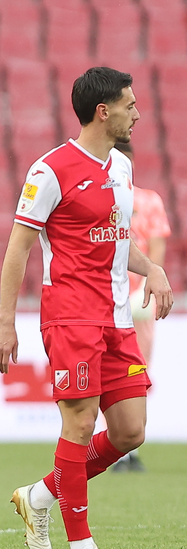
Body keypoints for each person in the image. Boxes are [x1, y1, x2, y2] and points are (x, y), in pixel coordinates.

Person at [0, 67, 173, 549]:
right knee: (79, 423)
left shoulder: (121, 167)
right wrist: (6, 321)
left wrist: (153, 268)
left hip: (117, 317)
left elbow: (117, 240)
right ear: (103, 111)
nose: (137, 113)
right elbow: (18, 247)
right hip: (71, 315)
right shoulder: (50, 171)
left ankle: (38, 496)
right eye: (129, 105)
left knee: (130, 432)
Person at [110, 141, 170, 472]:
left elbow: (156, 248)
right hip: (107, 300)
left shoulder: (149, 201)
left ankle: (128, 450)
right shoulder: (101, 199)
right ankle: (118, 450)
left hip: (139, 303)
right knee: (109, 375)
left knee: (137, 372)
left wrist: (150, 283)